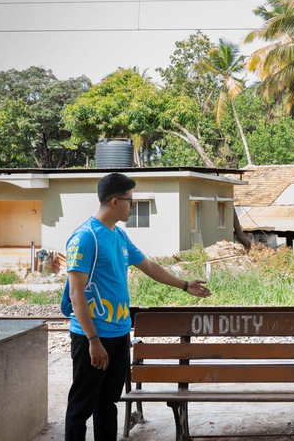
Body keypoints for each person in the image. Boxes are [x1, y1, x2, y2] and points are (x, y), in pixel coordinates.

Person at [65, 172, 212, 441]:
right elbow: (76, 294)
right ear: (113, 202)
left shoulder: (118, 236)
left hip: (119, 334)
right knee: (80, 408)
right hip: (92, 338)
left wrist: (184, 285)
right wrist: (93, 340)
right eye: (129, 201)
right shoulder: (85, 237)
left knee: (107, 404)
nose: (132, 206)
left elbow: (149, 266)